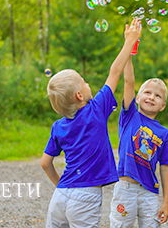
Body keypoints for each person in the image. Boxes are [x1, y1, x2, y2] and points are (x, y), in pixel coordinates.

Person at [41, 18, 142, 228]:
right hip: (85, 195)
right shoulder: (96, 110)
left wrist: (61, 186)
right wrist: (129, 42)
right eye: (84, 81)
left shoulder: (58, 127)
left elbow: (45, 163)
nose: (88, 83)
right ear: (80, 95)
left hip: (61, 195)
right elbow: (115, 72)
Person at [109, 53, 168, 227]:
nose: (151, 97)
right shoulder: (129, 116)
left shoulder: (165, 133)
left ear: (163, 106)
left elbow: (166, 167)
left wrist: (166, 202)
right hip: (125, 189)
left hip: (150, 193)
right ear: (137, 98)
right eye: (147, 92)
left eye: (157, 96)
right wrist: (130, 53)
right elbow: (129, 81)